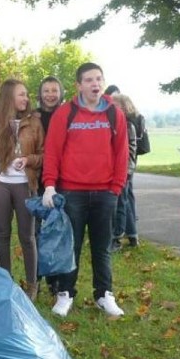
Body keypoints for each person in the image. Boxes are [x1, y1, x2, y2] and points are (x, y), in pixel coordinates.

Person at [42, 62, 129, 318]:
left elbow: (122, 154)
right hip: (72, 192)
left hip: (105, 193)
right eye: (89, 80)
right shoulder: (65, 113)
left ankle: (104, 294)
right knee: (72, 247)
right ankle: (65, 294)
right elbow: (52, 151)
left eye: (99, 79)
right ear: (79, 85)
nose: (95, 84)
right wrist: (49, 185)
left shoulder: (115, 114)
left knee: (102, 247)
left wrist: (115, 188)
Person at [0, 79, 44, 299]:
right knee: (2, 234)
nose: (26, 98)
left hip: (24, 185)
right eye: (21, 94)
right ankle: (5, 282)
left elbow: (44, 155)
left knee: (27, 236)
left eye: (27, 95)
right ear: (9, 97)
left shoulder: (34, 123)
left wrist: (29, 159)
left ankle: (32, 286)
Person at [35, 76, 64, 295]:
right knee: (35, 231)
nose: (50, 94)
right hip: (36, 176)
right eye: (46, 91)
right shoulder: (33, 116)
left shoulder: (66, 115)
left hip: (60, 178)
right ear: (40, 94)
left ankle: (55, 280)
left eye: (54, 90)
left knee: (55, 230)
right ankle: (34, 274)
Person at [110, 93, 140, 251]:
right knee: (123, 202)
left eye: (115, 105)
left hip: (124, 171)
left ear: (124, 107)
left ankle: (116, 238)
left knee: (120, 204)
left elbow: (129, 153)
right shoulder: (116, 123)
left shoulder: (127, 126)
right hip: (120, 170)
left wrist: (125, 172)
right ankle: (131, 234)